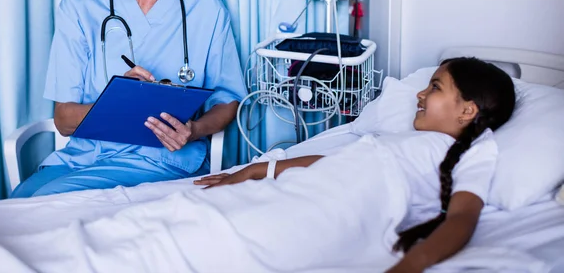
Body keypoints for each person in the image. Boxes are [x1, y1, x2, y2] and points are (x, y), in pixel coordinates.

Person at [11, 0, 246, 198]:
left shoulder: (207, 7)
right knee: (20, 200)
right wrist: (117, 101)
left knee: (40, 204)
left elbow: (228, 100)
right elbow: (64, 120)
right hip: (82, 160)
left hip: (163, 161)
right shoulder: (82, 1)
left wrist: (193, 130)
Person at [194, 57, 516, 273]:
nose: (419, 93)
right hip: (309, 188)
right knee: (205, 227)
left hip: (336, 207)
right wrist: (256, 170)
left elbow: (462, 218)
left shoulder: (474, 150)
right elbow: (338, 162)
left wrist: (410, 265)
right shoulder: (400, 139)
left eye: (434, 87)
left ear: (467, 111)